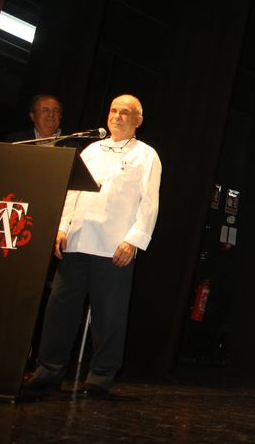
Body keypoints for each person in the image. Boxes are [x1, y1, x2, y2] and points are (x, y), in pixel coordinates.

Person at [22, 94, 162, 399]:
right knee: (60, 309)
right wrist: (61, 228)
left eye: (125, 113)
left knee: (108, 315)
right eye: (114, 110)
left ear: (138, 120)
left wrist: (133, 240)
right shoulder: (91, 150)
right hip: (76, 240)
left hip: (114, 247)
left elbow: (149, 203)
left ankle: (100, 375)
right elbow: (72, 192)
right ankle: (48, 370)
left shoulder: (146, 155)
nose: (117, 116)